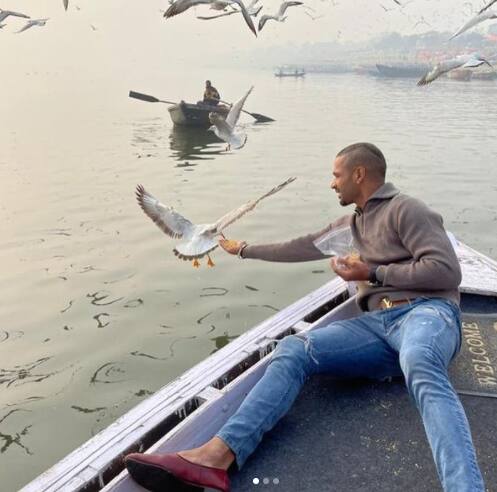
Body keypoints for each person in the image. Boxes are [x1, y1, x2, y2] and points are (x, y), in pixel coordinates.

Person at [124, 142, 484, 492]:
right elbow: (303, 246)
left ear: (359, 174)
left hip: (426, 313)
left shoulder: (407, 209)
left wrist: (372, 272)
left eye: (336, 175)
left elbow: (446, 271)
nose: (332, 183)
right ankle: (214, 459)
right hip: (378, 328)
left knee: (419, 359)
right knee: (294, 348)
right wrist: (245, 250)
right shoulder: (351, 225)